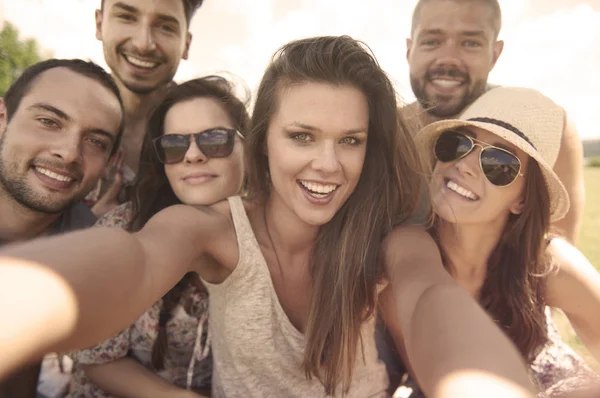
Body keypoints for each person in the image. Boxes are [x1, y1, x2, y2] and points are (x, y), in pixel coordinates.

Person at [0, 36, 536, 398]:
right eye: (301, 136)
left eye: (350, 140)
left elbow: (431, 298)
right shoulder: (216, 229)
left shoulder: (389, 236)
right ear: (264, 144)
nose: (327, 164)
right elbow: (136, 257)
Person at [384, 86, 600, 397]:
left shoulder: (546, 263)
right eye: (458, 144)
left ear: (522, 200)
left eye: (499, 163)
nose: (465, 165)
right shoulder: (408, 246)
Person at [67, 76, 248, 398]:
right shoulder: (124, 227)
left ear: (247, 145)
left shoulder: (275, 235)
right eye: (175, 145)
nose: (193, 155)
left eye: (215, 140)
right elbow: (94, 358)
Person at [403, 0, 584, 244]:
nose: (448, 59)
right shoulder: (378, 130)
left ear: (494, 55)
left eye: (470, 43)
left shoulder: (543, 135)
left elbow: (553, 255)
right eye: (431, 41)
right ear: (409, 50)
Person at [0, 59, 124, 397]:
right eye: (48, 121)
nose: (69, 153)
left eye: (95, 141)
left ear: (111, 162)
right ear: (2, 119)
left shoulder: (95, 249)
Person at [89, 0, 204, 217]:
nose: (143, 44)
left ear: (186, 44)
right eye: (127, 17)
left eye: (165, 27)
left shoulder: (215, 138)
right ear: (99, 24)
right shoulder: (54, 120)